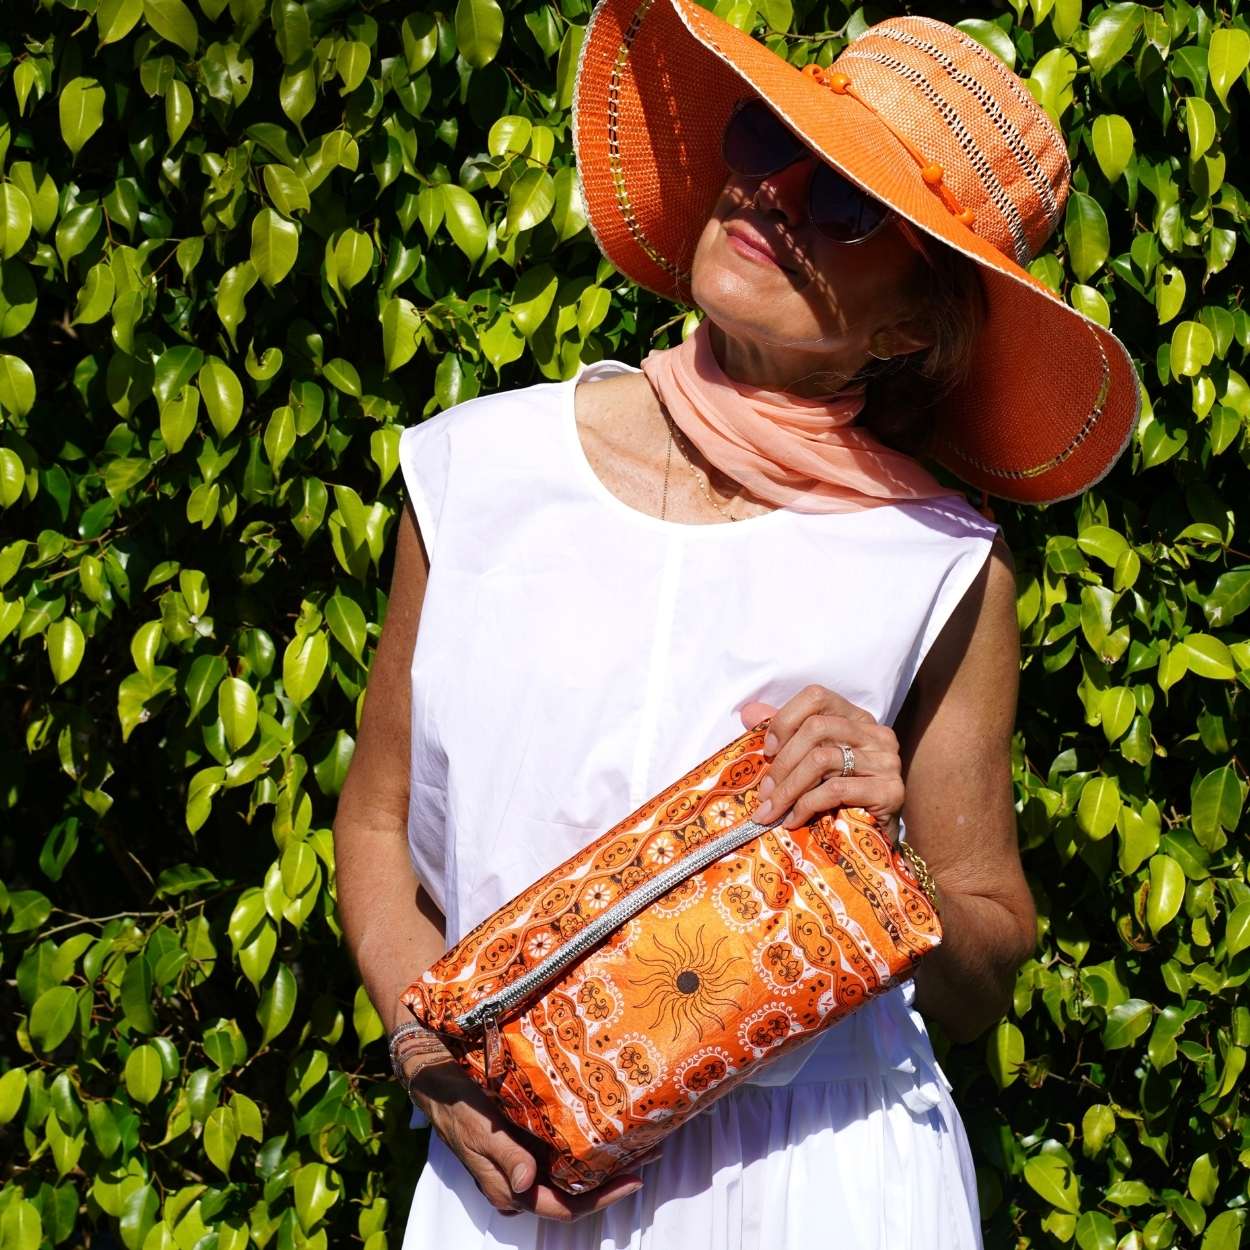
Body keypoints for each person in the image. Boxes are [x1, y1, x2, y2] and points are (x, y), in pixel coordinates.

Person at [332, 1, 1140, 1246]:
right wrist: (421, 1047)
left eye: (844, 203)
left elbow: (985, 954)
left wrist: (894, 870)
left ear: (912, 326)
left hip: (827, 1181)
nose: (769, 195)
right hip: (512, 1171)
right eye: (766, 140)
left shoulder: (937, 566)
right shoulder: (478, 470)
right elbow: (378, 816)